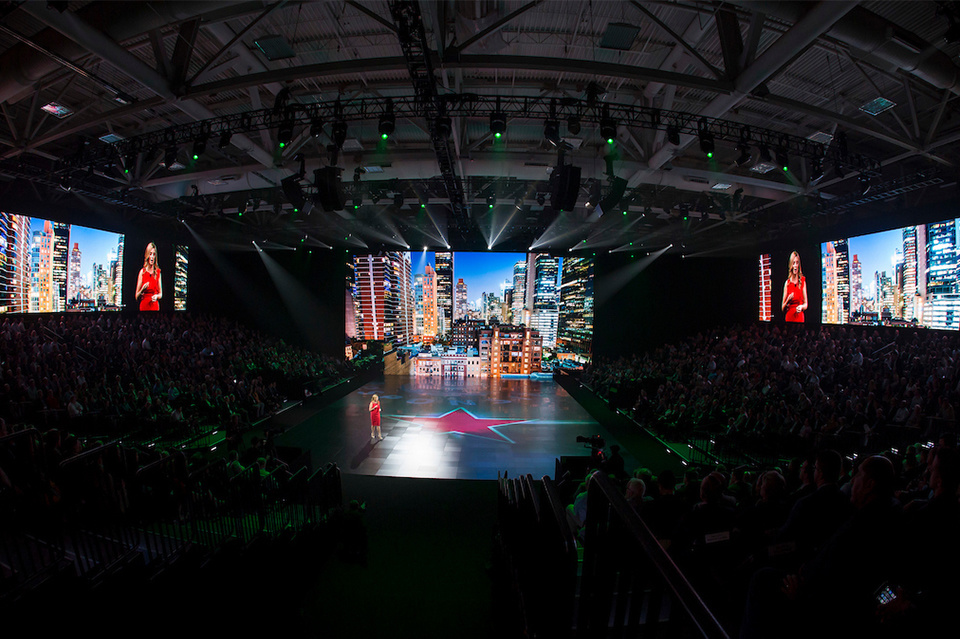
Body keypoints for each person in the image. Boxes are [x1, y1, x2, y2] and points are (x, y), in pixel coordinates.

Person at [781, 251, 807, 323]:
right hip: (789, 317)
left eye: (797, 262)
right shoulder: (787, 283)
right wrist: (788, 301)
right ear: (791, 265)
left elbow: (806, 304)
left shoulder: (802, 281)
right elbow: (782, 308)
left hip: (799, 317)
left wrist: (801, 307)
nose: (795, 265)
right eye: (793, 263)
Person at [136, 242, 162, 311]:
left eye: (154, 254)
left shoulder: (158, 272)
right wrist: (142, 290)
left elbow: (161, 294)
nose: (152, 257)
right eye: (150, 254)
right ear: (147, 255)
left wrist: (156, 296)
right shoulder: (142, 272)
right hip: (144, 306)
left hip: (154, 306)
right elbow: (136, 296)